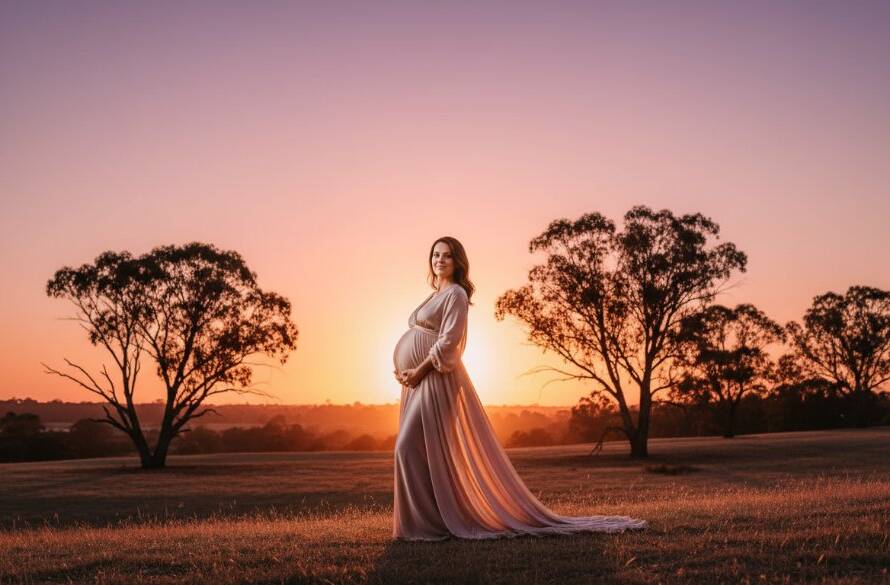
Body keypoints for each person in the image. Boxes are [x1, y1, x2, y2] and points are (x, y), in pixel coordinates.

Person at [392, 236, 648, 541]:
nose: (440, 260)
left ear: (457, 261)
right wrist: (406, 371)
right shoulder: (435, 294)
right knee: (422, 451)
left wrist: (418, 370)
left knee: (406, 447)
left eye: (447, 255)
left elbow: (449, 343)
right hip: (418, 382)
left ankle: (430, 526)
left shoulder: (456, 294)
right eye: (436, 255)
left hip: (436, 380)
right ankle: (427, 523)